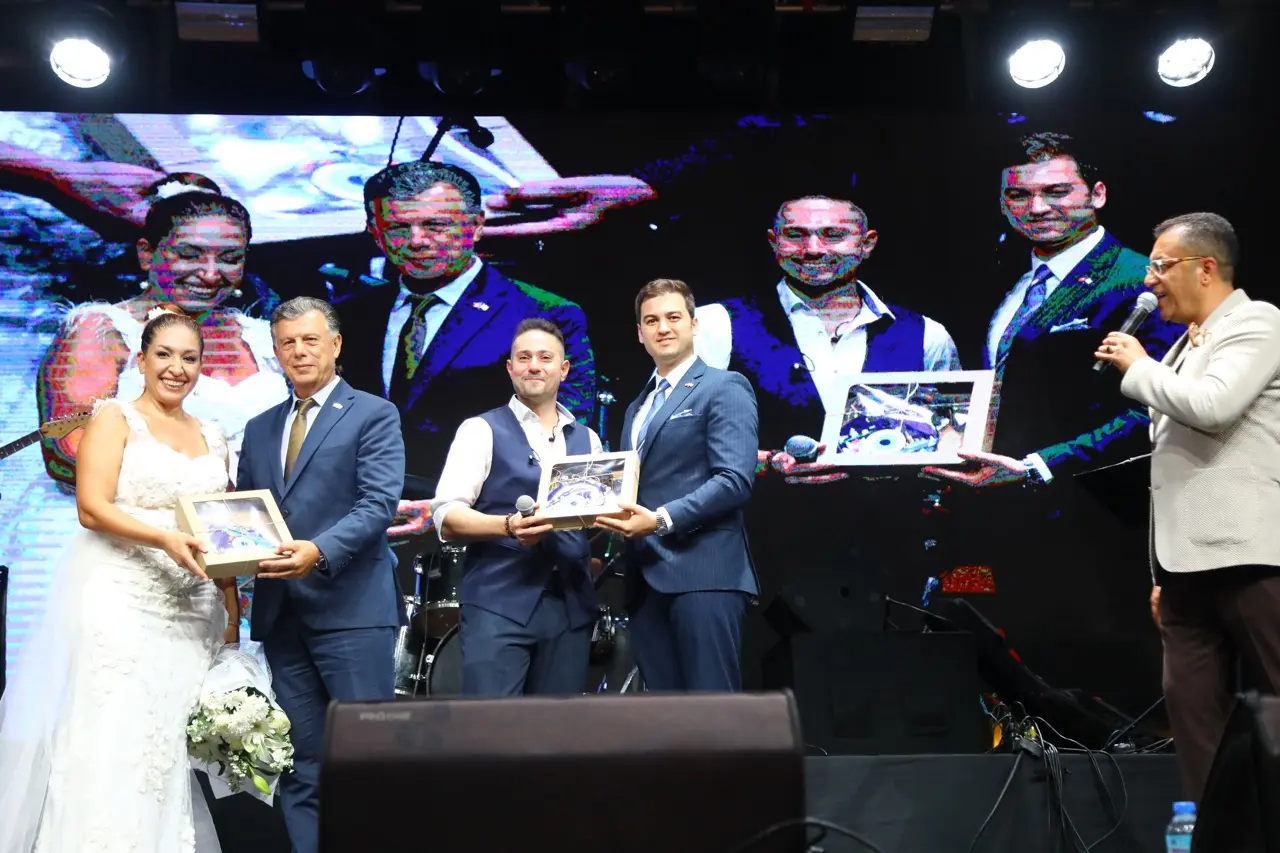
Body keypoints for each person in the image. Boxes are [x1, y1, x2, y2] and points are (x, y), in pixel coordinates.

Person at [0, 308, 238, 852]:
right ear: (142, 359)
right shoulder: (114, 418)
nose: (176, 368)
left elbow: (219, 527)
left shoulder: (213, 435)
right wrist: (164, 538)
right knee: (112, 740)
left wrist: (230, 607)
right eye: (165, 355)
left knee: (166, 751)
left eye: (189, 358)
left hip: (192, 611)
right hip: (122, 600)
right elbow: (91, 507)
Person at [1094, 212, 1280, 803]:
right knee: (1195, 719)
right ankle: (1219, 836)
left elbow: (1214, 406)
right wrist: (1162, 573)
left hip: (1251, 558)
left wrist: (1137, 365)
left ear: (1205, 268)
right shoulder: (1182, 344)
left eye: (1160, 265)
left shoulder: (1257, 321)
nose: (1148, 280)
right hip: (1183, 571)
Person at [235, 297, 405, 853]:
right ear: (276, 351)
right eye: (288, 343)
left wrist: (319, 550)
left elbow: (378, 505)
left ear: (335, 344)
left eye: (311, 340)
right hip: (283, 616)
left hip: (352, 612)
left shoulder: (374, 413)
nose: (300, 351)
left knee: (367, 761)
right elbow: (245, 514)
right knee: (300, 764)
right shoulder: (259, 428)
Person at [330, 161, 597, 499]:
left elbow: (558, 436)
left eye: (435, 225)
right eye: (398, 228)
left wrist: (453, 508)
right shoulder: (350, 314)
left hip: (487, 514)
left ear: (476, 225)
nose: (416, 241)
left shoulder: (544, 314)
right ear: (375, 233)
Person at [37, 172, 287, 486]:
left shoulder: (261, 338)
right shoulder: (101, 331)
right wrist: (206, 485)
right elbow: (68, 448)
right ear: (146, 253)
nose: (211, 274)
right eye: (189, 255)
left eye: (229, 258)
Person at [696, 195, 960, 481]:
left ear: (867, 244)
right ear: (774, 242)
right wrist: (764, 464)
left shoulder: (926, 334)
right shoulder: (713, 324)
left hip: (893, 509)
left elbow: (953, 436)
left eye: (833, 235)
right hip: (763, 507)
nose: (813, 249)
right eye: (795, 235)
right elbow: (670, 441)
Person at [594, 279, 759, 691]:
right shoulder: (637, 407)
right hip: (644, 579)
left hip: (704, 573)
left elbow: (734, 480)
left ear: (693, 324)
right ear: (640, 333)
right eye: (651, 321)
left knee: (712, 708)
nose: (663, 328)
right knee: (666, 714)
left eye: (673, 317)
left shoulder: (724, 386)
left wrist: (661, 520)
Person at [431, 318, 601, 696]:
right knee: (493, 726)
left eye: (545, 358)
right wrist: (507, 526)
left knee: (558, 729)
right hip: (498, 604)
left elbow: (593, 518)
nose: (534, 366)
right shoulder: (480, 430)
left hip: (570, 608)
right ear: (510, 367)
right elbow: (446, 516)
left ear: (564, 369)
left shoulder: (589, 440)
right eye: (524, 358)